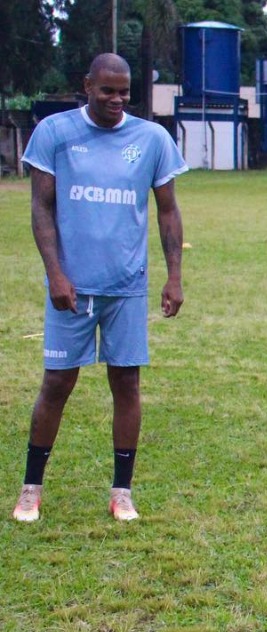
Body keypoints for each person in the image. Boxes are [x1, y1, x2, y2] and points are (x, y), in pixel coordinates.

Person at [12, 53, 188, 523]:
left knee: (127, 382)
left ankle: (122, 492)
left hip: (127, 287)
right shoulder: (55, 132)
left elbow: (168, 211)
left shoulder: (152, 139)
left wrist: (174, 275)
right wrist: (55, 273)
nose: (116, 99)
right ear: (86, 85)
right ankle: (31, 489)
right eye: (107, 90)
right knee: (56, 384)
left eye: (124, 91)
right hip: (71, 286)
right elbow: (41, 208)